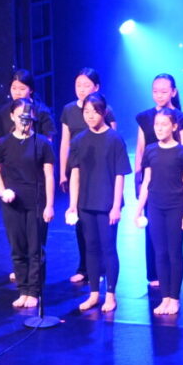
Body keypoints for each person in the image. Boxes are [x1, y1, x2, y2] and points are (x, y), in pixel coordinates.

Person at [66, 93, 129, 313]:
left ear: (103, 112)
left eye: (95, 111)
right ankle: (93, 294)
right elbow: (75, 174)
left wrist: (116, 205)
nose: (90, 116)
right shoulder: (79, 140)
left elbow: (120, 174)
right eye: (86, 112)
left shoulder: (114, 139)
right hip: (85, 202)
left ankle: (110, 295)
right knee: (91, 248)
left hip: (107, 203)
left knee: (108, 248)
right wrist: (72, 204)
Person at [0, 98, 56, 308]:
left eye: (27, 116)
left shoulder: (42, 143)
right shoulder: (3, 144)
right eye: (20, 116)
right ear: (12, 117)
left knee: (36, 249)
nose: (24, 120)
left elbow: (49, 175)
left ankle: (34, 291)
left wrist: (49, 205)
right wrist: (2, 192)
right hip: (13, 204)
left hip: (36, 201)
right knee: (17, 248)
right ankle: (23, 289)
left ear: (34, 117)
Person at [134, 74, 183, 288]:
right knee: (153, 231)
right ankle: (155, 275)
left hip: (172, 184)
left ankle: (172, 285)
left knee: (172, 240)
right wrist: (138, 180)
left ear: (173, 92)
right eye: (155, 91)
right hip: (151, 179)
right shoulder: (145, 117)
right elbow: (140, 150)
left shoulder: (181, 119)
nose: (159, 95)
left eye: (164, 91)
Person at [59, 68, 117, 284]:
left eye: (86, 85)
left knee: (102, 229)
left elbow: (113, 139)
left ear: (96, 87)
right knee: (81, 224)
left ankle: (102, 269)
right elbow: (65, 142)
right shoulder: (69, 110)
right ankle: (85, 268)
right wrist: (63, 171)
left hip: (101, 174)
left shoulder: (105, 110)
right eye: (78, 85)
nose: (81, 89)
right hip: (78, 170)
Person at [0, 69, 57, 142]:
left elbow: (48, 140)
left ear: (31, 90)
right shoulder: (4, 111)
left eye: (22, 89)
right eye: (14, 88)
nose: (17, 93)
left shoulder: (42, 111)